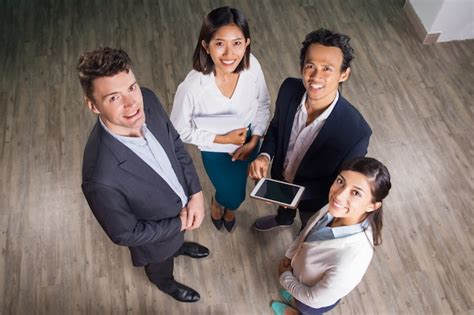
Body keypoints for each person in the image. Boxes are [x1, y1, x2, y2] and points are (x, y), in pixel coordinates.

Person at [78, 47, 209, 303]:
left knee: (173, 242)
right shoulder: (100, 177)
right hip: (156, 239)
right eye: (114, 98)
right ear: (93, 105)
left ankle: (177, 244)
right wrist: (180, 224)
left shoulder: (147, 98)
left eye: (131, 87)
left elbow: (175, 143)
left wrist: (196, 193)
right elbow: (125, 234)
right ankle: (164, 282)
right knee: (160, 264)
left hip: (180, 212)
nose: (132, 104)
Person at [249, 28, 372, 230]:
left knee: (310, 228)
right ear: (301, 68)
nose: (316, 77)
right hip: (282, 175)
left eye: (327, 69)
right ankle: (283, 219)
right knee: (284, 211)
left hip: (315, 198)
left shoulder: (357, 133)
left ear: (344, 74)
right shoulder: (288, 89)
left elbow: (342, 183)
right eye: (310, 66)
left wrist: (291, 195)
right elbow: (276, 126)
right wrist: (265, 155)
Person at [170, 6, 270, 232]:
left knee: (239, 188)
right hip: (215, 151)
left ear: (246, 43)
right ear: (206, 45)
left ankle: (228, 206)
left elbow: (263, 103)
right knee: (232, 193)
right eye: (219, 43)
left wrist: (255, 139)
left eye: (236, 43)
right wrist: (222, 140)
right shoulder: (192, 87)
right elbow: (178, 129)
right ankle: (220, 202)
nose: (229, 54)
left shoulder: (252, 66)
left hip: (250, 141)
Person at [270, 157, 391, 315]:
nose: (338, 196)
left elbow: (314, 299)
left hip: (311, 302)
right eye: (341, 181)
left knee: (305, 308)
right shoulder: (336, 208)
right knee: (298, 296)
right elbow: (307, 231)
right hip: (299, 276)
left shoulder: (353, 258)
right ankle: (295, 296)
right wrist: (290, 256)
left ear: (372, 206)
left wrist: (286, 278)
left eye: (356, 193)